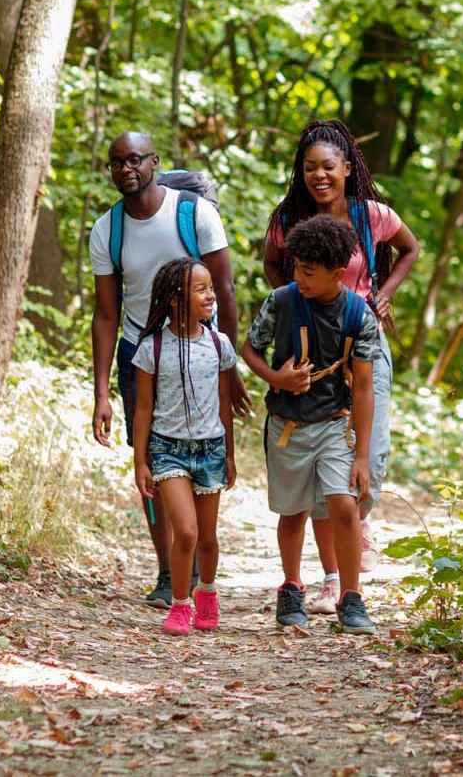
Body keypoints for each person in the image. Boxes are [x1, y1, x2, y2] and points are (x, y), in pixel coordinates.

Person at [261, 120, 421, 614]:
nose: (319, 176)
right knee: (321, 458)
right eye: (310, 167)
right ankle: (334, 579)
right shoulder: (288, 218)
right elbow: (272, 264)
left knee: (371, 454)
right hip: (312, 348)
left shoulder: (371, 215)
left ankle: (357, 519)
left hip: (363, 340)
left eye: (328, 166)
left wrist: (384, 294)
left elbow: (411, 248)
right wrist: (293, 303)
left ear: (347, 168)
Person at [89, 132, 250, 607]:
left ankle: (195, 561)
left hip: (200, 350)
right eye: (116, 163)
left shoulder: (194, 214)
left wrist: (230, 366)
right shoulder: (108, 229)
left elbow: (224, 290)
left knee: (201, 449)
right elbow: (106, 314)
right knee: (151, 458)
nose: (126, 170)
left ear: (154, 161)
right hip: (142, 353)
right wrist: (101, 394)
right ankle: (167, 571)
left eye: (134, 160)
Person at [240, 215, 383, 634]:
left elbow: (364, 388)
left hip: (334, 424)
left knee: (344, 504)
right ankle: (291, 586)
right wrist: (277, 379)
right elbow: (249, 349)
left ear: (337, 273)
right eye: (297, 268)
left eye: (308, 271)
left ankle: (351, 596)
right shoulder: (281, 301)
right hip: (288, 425)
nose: (299, 278)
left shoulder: (358, 315)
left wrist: (362, 455)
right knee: (293, 512)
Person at [130, 258, 238, 635]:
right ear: (176, 298)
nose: (211, 295)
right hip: (167, 450)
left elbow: (224, 403)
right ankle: (180, 605)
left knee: (207, 538)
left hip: (210, 449)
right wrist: (140, 461)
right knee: (187, 532)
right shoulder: (152, 348)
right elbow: (143, 409)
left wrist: (229, 454)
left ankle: (207, 592)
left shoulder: (219, 345)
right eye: (201, 289)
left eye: (211, 288)